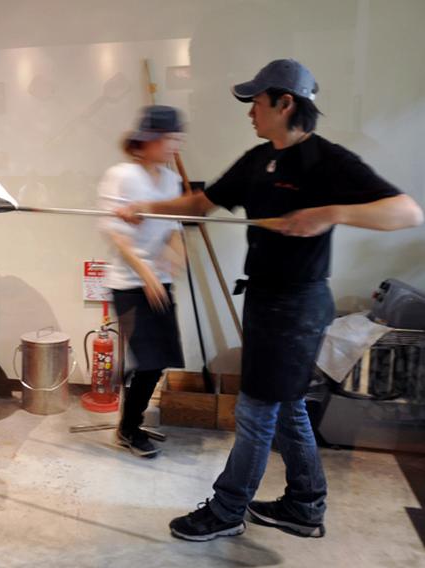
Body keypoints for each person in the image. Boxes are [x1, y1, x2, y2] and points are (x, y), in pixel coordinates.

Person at [116, 59, 423, 540]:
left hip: (298, 307)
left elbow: (407, 212)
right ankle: (304, 504)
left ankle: (226, 509)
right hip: (264, 300)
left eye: (256, 101)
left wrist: (329, 213)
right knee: (286, 406)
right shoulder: (258, 160)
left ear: (286, 103)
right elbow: (201, 203)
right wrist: (145, 208)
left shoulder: (328, 160)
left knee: (256, 410)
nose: (250, 112)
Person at [98, 105, 187, 458]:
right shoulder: (121, 175)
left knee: (160, 358)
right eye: (170, 138)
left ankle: (130, 420)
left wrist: (177, 257)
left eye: (178, 138)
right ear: (148, 139)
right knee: (148, 358)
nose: (175, 146)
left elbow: (175, 227)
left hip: (159, 281)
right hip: (128, 283)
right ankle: (128, 429)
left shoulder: (171, 180)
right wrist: (146, 272)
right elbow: (115, 232)